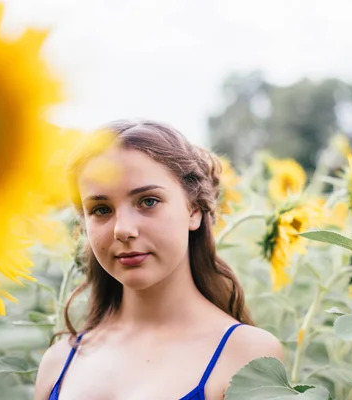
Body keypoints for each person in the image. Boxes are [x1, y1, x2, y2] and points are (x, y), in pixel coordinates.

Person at [34, 120, 284, 400]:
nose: (123, 229)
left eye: (148, 201)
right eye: (101, 209)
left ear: (194, 210)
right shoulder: (57, 363)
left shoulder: (246, 355)